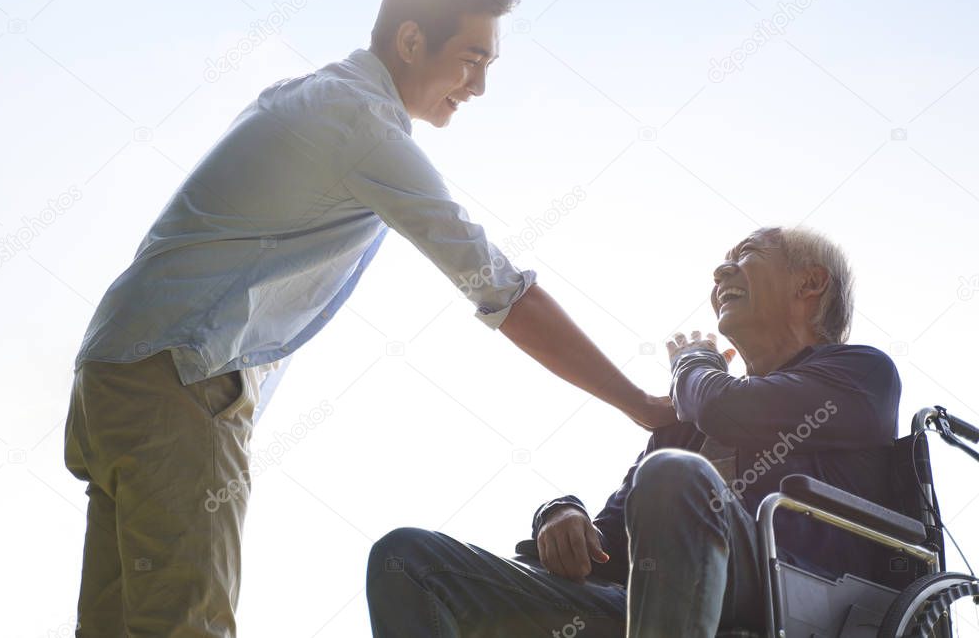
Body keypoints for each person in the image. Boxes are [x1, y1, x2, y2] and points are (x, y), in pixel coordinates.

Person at [62, 0, 670, 635]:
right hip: (182, 377)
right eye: (471, 59)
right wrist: (642, 405)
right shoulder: (362, 125)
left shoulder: (311, 95)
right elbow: (501, 290)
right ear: (412, 41)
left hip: (116, 372)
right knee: (185, 625)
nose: (479, 86)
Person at [365, 226, 901, 637]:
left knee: (673, 474)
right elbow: (612, 543)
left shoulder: (862, 375)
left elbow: (729, 411)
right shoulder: (687, 426)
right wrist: (560, 514)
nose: (720, 271)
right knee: (408, 559)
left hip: (791, 595)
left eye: (745, 256)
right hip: (648, 606)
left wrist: (690, 362)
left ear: (809, 282)